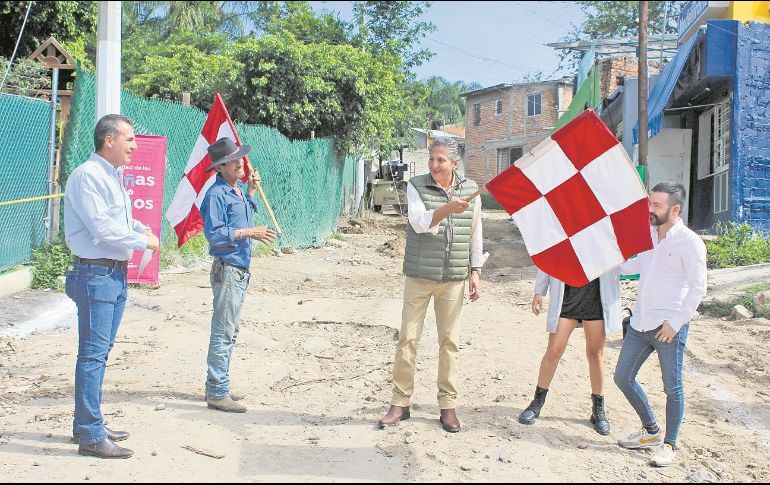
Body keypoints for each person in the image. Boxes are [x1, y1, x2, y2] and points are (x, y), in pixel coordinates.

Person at [63, 114, 160, 459]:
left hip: (112, 274)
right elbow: (102, 228)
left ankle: (88, 424)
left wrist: (138, 228)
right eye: (129, 139)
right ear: (109, 141)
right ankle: (90, 434)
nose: (134, 146)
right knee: (92, 355)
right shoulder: (87, 176)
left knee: (99, 354)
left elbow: (117, 219)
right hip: (95, 275)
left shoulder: (111, 176)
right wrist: (142, 240)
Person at [377, 137, 484, 433]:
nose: (434, 165)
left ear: (454, 163)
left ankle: (448, 407)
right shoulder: (416, 186)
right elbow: (419, 222)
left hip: (453, 280)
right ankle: (400, 403)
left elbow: (476, 234)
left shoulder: (470, 189)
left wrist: (475, 271)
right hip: (419, 278)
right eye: (431, 159)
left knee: (450, 343)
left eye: (440, 160)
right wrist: (448, 208)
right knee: (407, 339)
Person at [614, 182, 707, 467]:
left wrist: (676, 323)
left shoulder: (690, 242)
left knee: (672, 387)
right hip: (640, 321)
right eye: (649, 204)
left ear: (675, 209)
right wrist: (608, 259)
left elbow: (698, 288)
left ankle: (669, 444)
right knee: (622, 377)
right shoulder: (649, 236)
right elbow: (632, 268)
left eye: (657, 205)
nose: (650, 210)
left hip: (668, 327)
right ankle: (651, 431)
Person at [200, 137, 276, 413]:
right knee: (224, 331)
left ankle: (219, 385)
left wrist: (252, 193)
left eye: (240, 158)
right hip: (228, 267)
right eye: (233, 160)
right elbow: (215, 234)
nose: (240, 163)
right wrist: (249, 232)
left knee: (229, 330)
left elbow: (243, 215)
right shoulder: (217, 195)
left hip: (239, 268)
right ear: (220, 168)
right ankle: (218, 392)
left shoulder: (237, 190)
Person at [518, 268, 621, 435]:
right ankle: (537, 402)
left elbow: (618, 258)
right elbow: (548, 257)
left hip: (596, 297)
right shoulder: (562, 239)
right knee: (554, 350)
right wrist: (539, 292)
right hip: (567, 297)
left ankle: (598, 409)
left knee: (596, 354)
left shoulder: (606, 240)